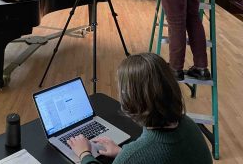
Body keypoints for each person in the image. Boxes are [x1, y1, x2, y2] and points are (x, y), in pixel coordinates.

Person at [67, 53, 213, 164]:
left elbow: (147, 154)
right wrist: (122, 152)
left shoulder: (134, 156)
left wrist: (84, 154)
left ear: (131, 99)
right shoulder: (189, 125)